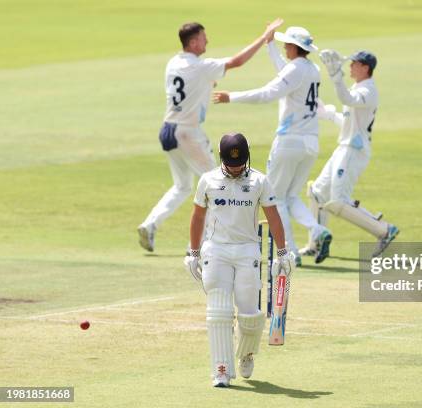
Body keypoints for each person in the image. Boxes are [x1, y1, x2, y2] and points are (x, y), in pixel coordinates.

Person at [137, 19, 283, 252]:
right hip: (188, 133)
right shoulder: (200, 66)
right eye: (204, 38)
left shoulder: (174, 63)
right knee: (217, 183)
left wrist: (207, 85)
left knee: (182, 186)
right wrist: (264, 37)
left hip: (167, 130)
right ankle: (197, 243)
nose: (208, 41)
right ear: (193, 42)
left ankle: (150, 224)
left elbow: (191, 86)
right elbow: (237, 61)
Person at [213, 26, 333, 265]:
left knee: (276, 198)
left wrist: (232, 97)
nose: (284, 48)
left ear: (294, 47)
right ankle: (317, 230)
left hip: (290, 141)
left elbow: (268, 93)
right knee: (290, 196)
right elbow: (285, 75)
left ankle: (290, 252)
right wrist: (269, 45)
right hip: (310, 143)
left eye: (286, 44)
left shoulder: (297, 69)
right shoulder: (311, 69)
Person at [183, 133, 295, 387]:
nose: (236, 168)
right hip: (216, 251)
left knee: (249, 315)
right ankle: (221, 370)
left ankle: (246, 353)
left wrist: (282, 252)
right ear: (222, 158)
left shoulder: (259, 181)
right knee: (219, 312)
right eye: (231, 163)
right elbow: (198, 217)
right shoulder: (208, 180)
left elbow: (274, 216)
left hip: (247, 251)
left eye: (240, 163)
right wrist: (193, 252)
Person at [301, 50, 399, 258]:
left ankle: (383, 230)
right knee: (317, 192)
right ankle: (315, 243)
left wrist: (336, 76)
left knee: (338, 201)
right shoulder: (358, 87)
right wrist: (328, 114)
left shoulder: (368, 90)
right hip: (344, 147)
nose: (350, 66)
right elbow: (349, 122)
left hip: (354, 151)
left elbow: (346, 97)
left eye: (354, 63)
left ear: (365, 68)